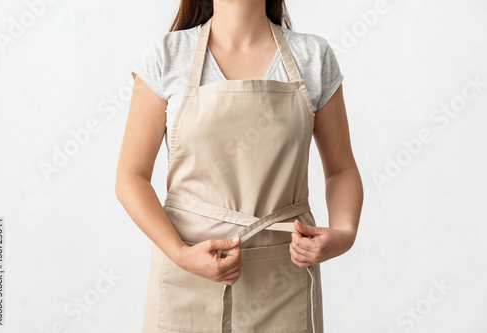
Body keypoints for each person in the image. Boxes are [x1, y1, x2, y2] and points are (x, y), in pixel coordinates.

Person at [116, 1, 363, 332]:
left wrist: (344, 234)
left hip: (283, 275)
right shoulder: (168, 55)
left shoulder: (312, 56)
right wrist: (180, 254)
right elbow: (131, 176)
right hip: (187, 272)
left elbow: (341, 168)